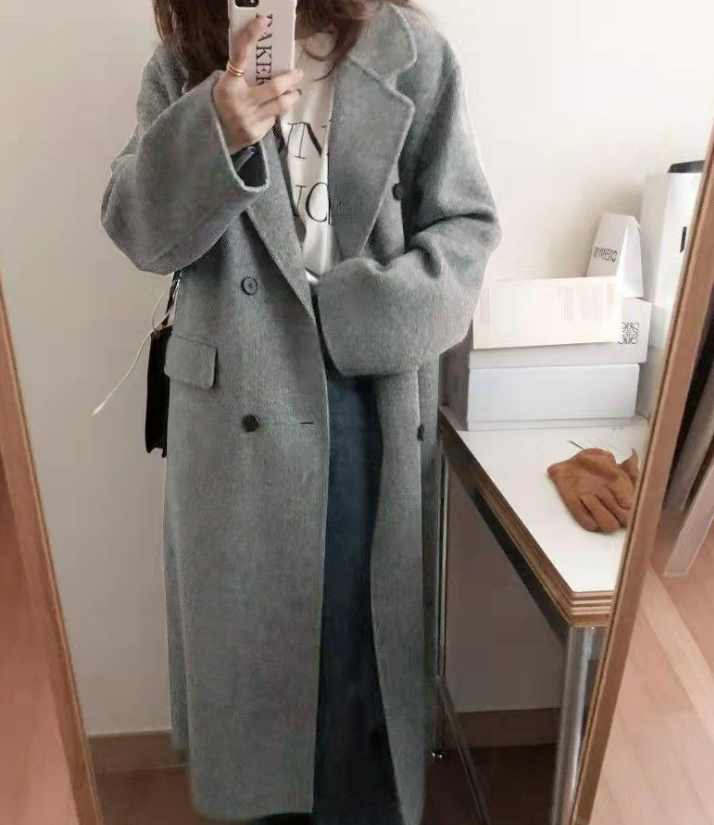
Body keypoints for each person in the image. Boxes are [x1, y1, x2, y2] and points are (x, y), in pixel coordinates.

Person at [100, 1, 501, 824]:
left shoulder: (409, 51)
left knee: (359, 663)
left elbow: (465, 232)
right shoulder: (184, 64)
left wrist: (354, 314)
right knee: (250, 664)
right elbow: (138, 230)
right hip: (236, 407)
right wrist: (216, 128)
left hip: (367, 392)